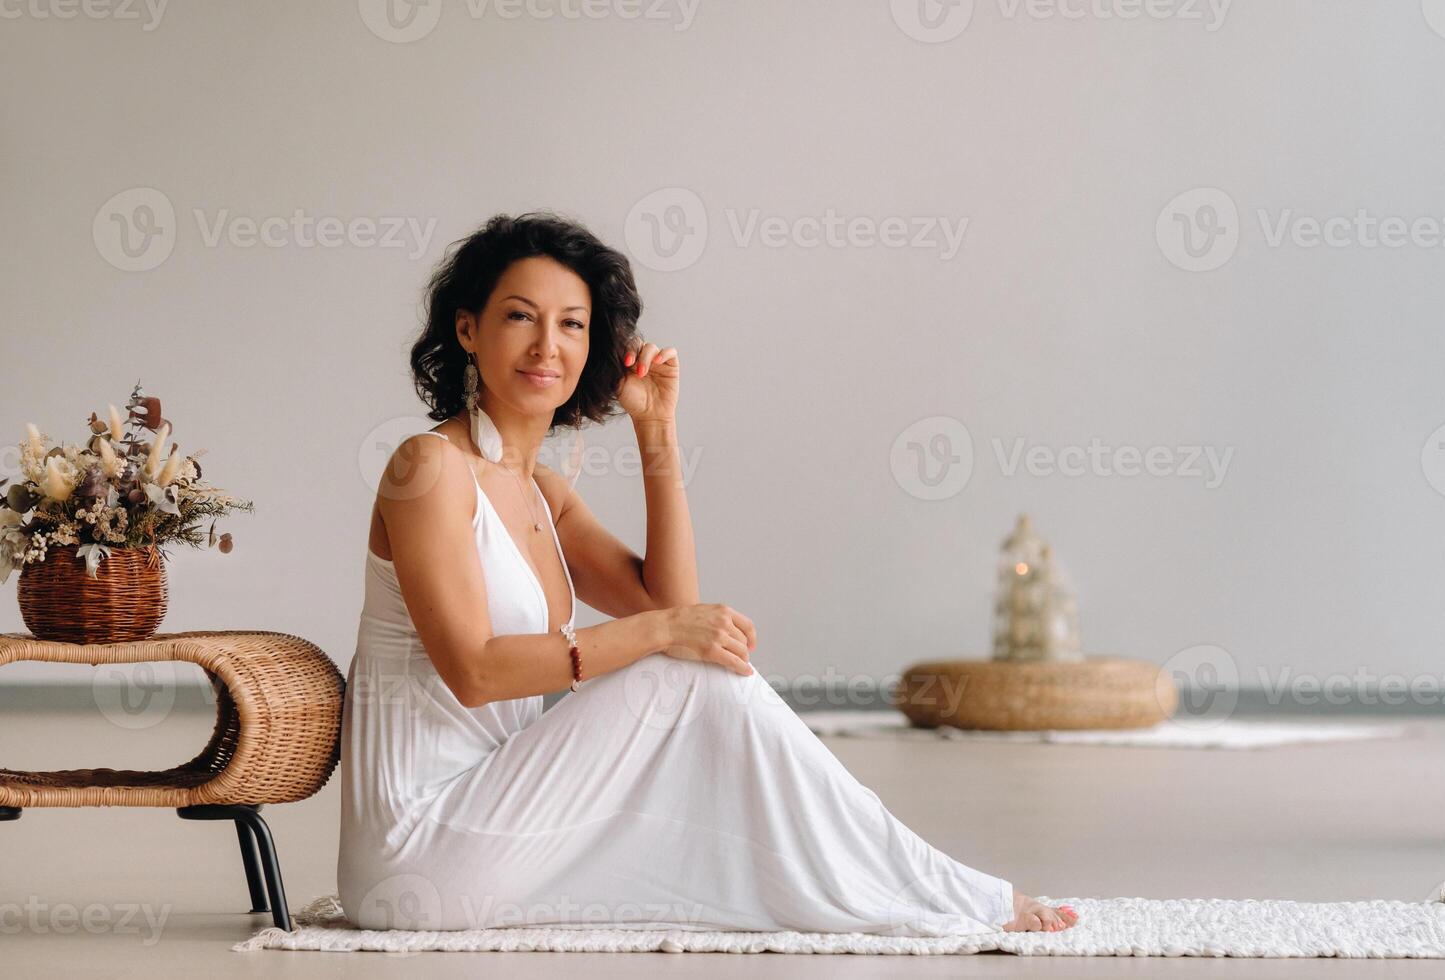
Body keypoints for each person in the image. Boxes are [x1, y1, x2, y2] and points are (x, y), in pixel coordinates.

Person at [336, 211, 1079, 936]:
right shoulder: (429, 467)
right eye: (521, 317)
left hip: (491, 822)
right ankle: (943, 887)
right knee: (684, 664)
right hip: (418, 850)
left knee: (697, 663)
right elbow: (475, 671)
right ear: (468, 328)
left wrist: (656, 428)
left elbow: (672, 602)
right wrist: (662, 630)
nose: (547, 345)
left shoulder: (541, 492)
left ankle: (917, 882)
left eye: (572, 324)